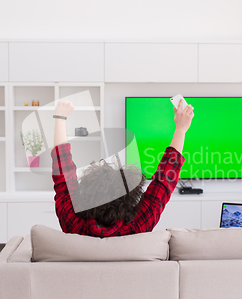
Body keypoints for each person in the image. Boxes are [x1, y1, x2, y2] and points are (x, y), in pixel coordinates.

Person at [51, 99, 194, 237]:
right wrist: (181, 130)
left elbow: (63, 172)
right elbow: (163, 182)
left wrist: (59, 118)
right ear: (131, 198)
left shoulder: (74, 224)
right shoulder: (138, 226)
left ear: (87, 195)